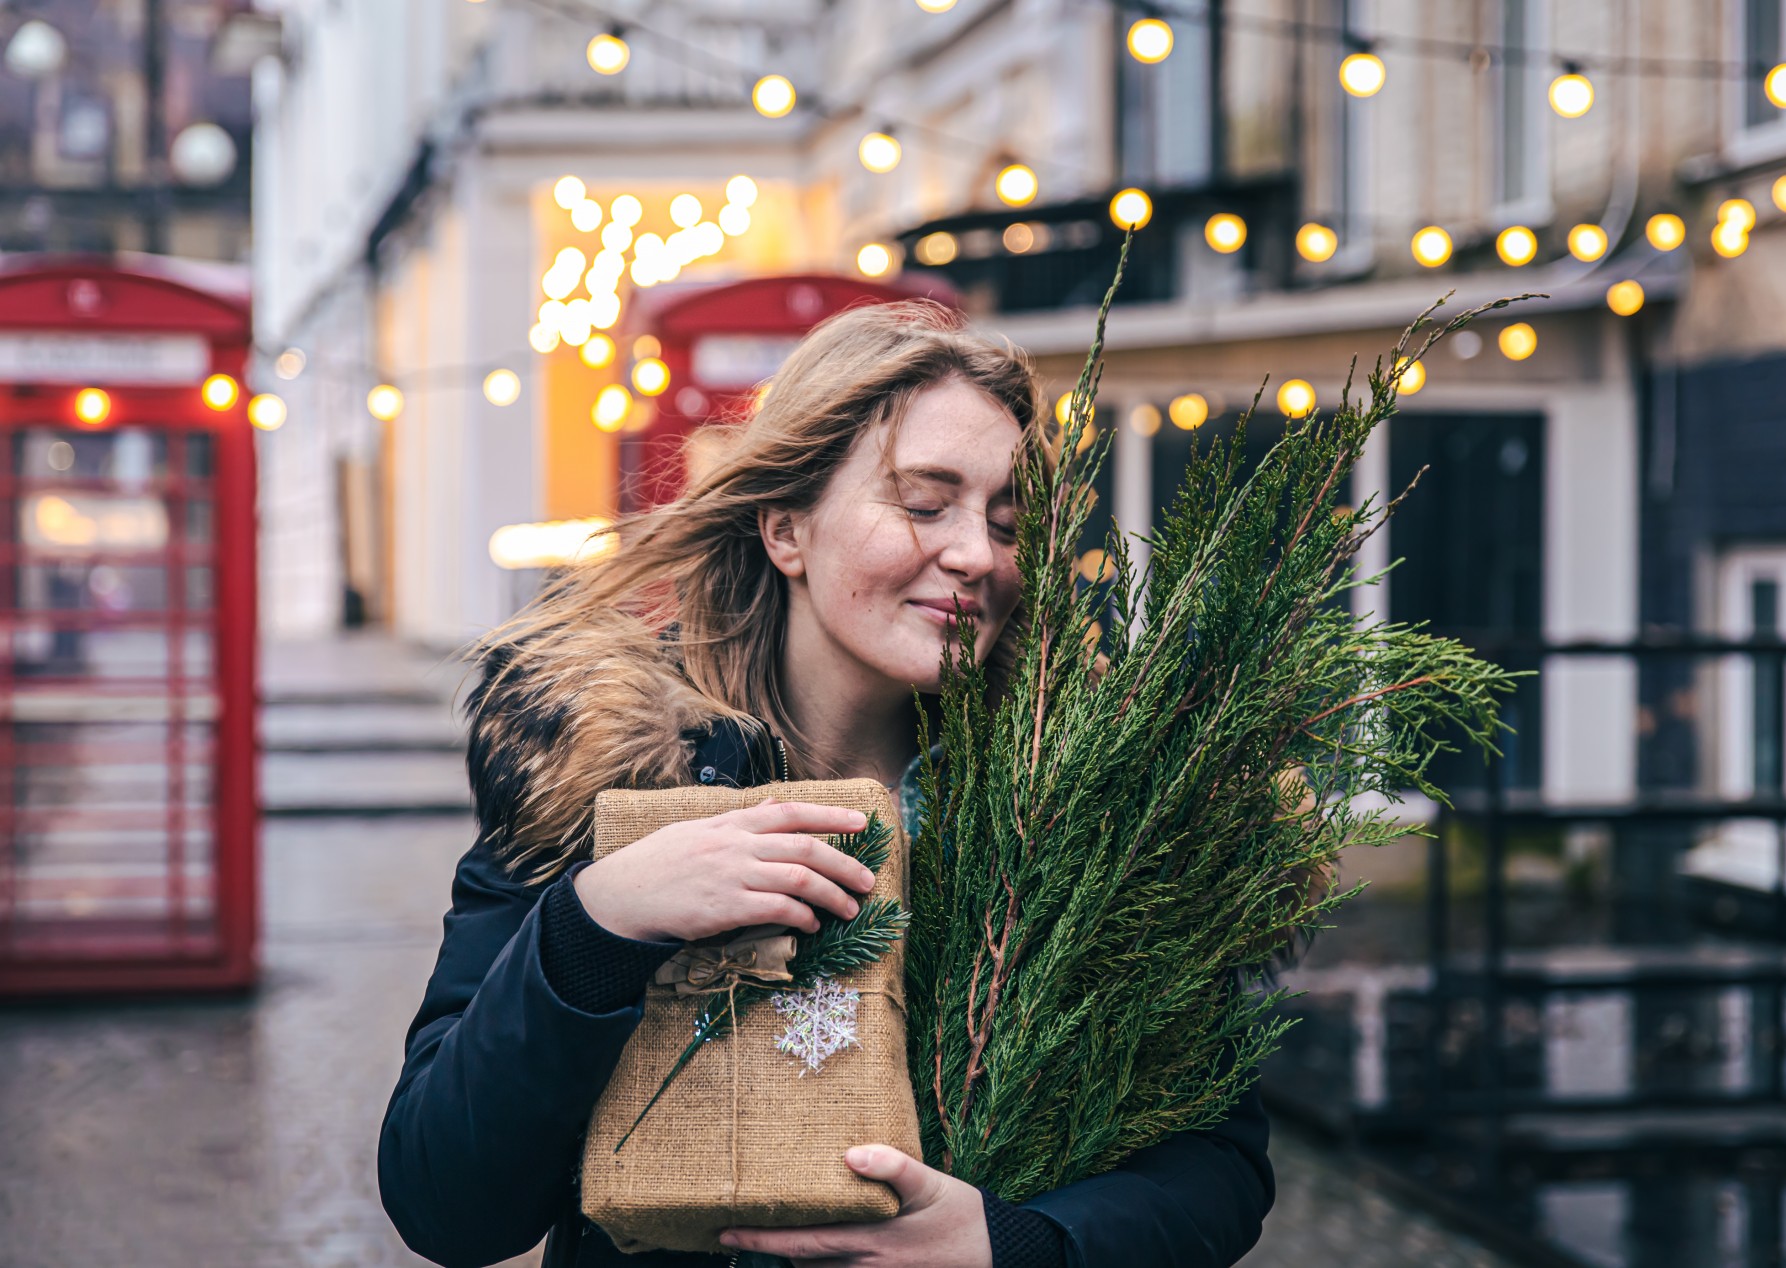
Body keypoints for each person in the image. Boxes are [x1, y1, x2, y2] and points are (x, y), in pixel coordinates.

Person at [377, 300, 1275, 1268]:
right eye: (926, 503)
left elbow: (1218, 1159)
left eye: (1007, 522)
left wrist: (1014, 1243)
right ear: (786, 529)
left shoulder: (1083, 803)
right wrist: (595, 920)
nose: (978, 552)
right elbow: (447, 1202)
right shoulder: (599, 778)